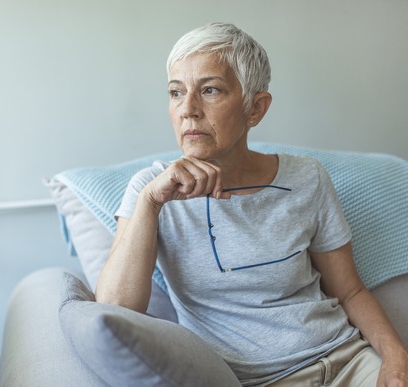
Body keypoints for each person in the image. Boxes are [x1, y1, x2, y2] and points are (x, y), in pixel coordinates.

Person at [95, 22, 408, 386]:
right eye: (176, 92)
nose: (188, 110)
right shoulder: (150, 190)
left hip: (348, 360)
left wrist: (396, 357)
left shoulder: (307, 178)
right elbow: (115, 309)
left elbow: (350, 290)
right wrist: (151, 202)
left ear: (255, 108)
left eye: (210, 90)